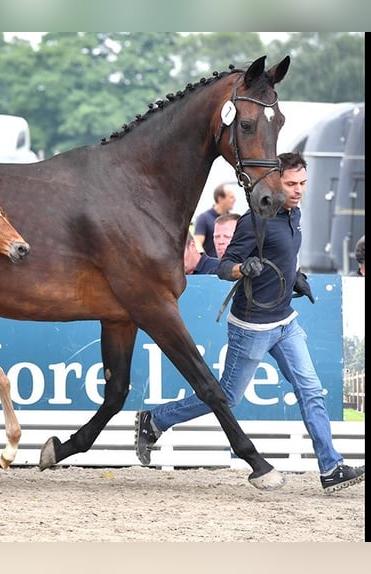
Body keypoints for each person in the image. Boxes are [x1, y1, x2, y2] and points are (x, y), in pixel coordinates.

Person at [135, 152, 365, 493]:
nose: (298, 190)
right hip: (252, 327)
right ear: (274, 181)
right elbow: (227, 266)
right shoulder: (255, 220)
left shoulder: (294, 214)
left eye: (303, 183)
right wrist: (244, 269)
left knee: (311, 391)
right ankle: (155, 420)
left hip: (286, 321)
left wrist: (294, 276)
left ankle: (330, 467)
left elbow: (282, 254)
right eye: (291, 184)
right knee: (227, 396)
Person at [194, 182, 236, 256]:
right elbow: (197, 244)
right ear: (220, 199)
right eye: (231, 197)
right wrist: (207, 262)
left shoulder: (233, 220)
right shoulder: (203, 218)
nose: (234, 200)